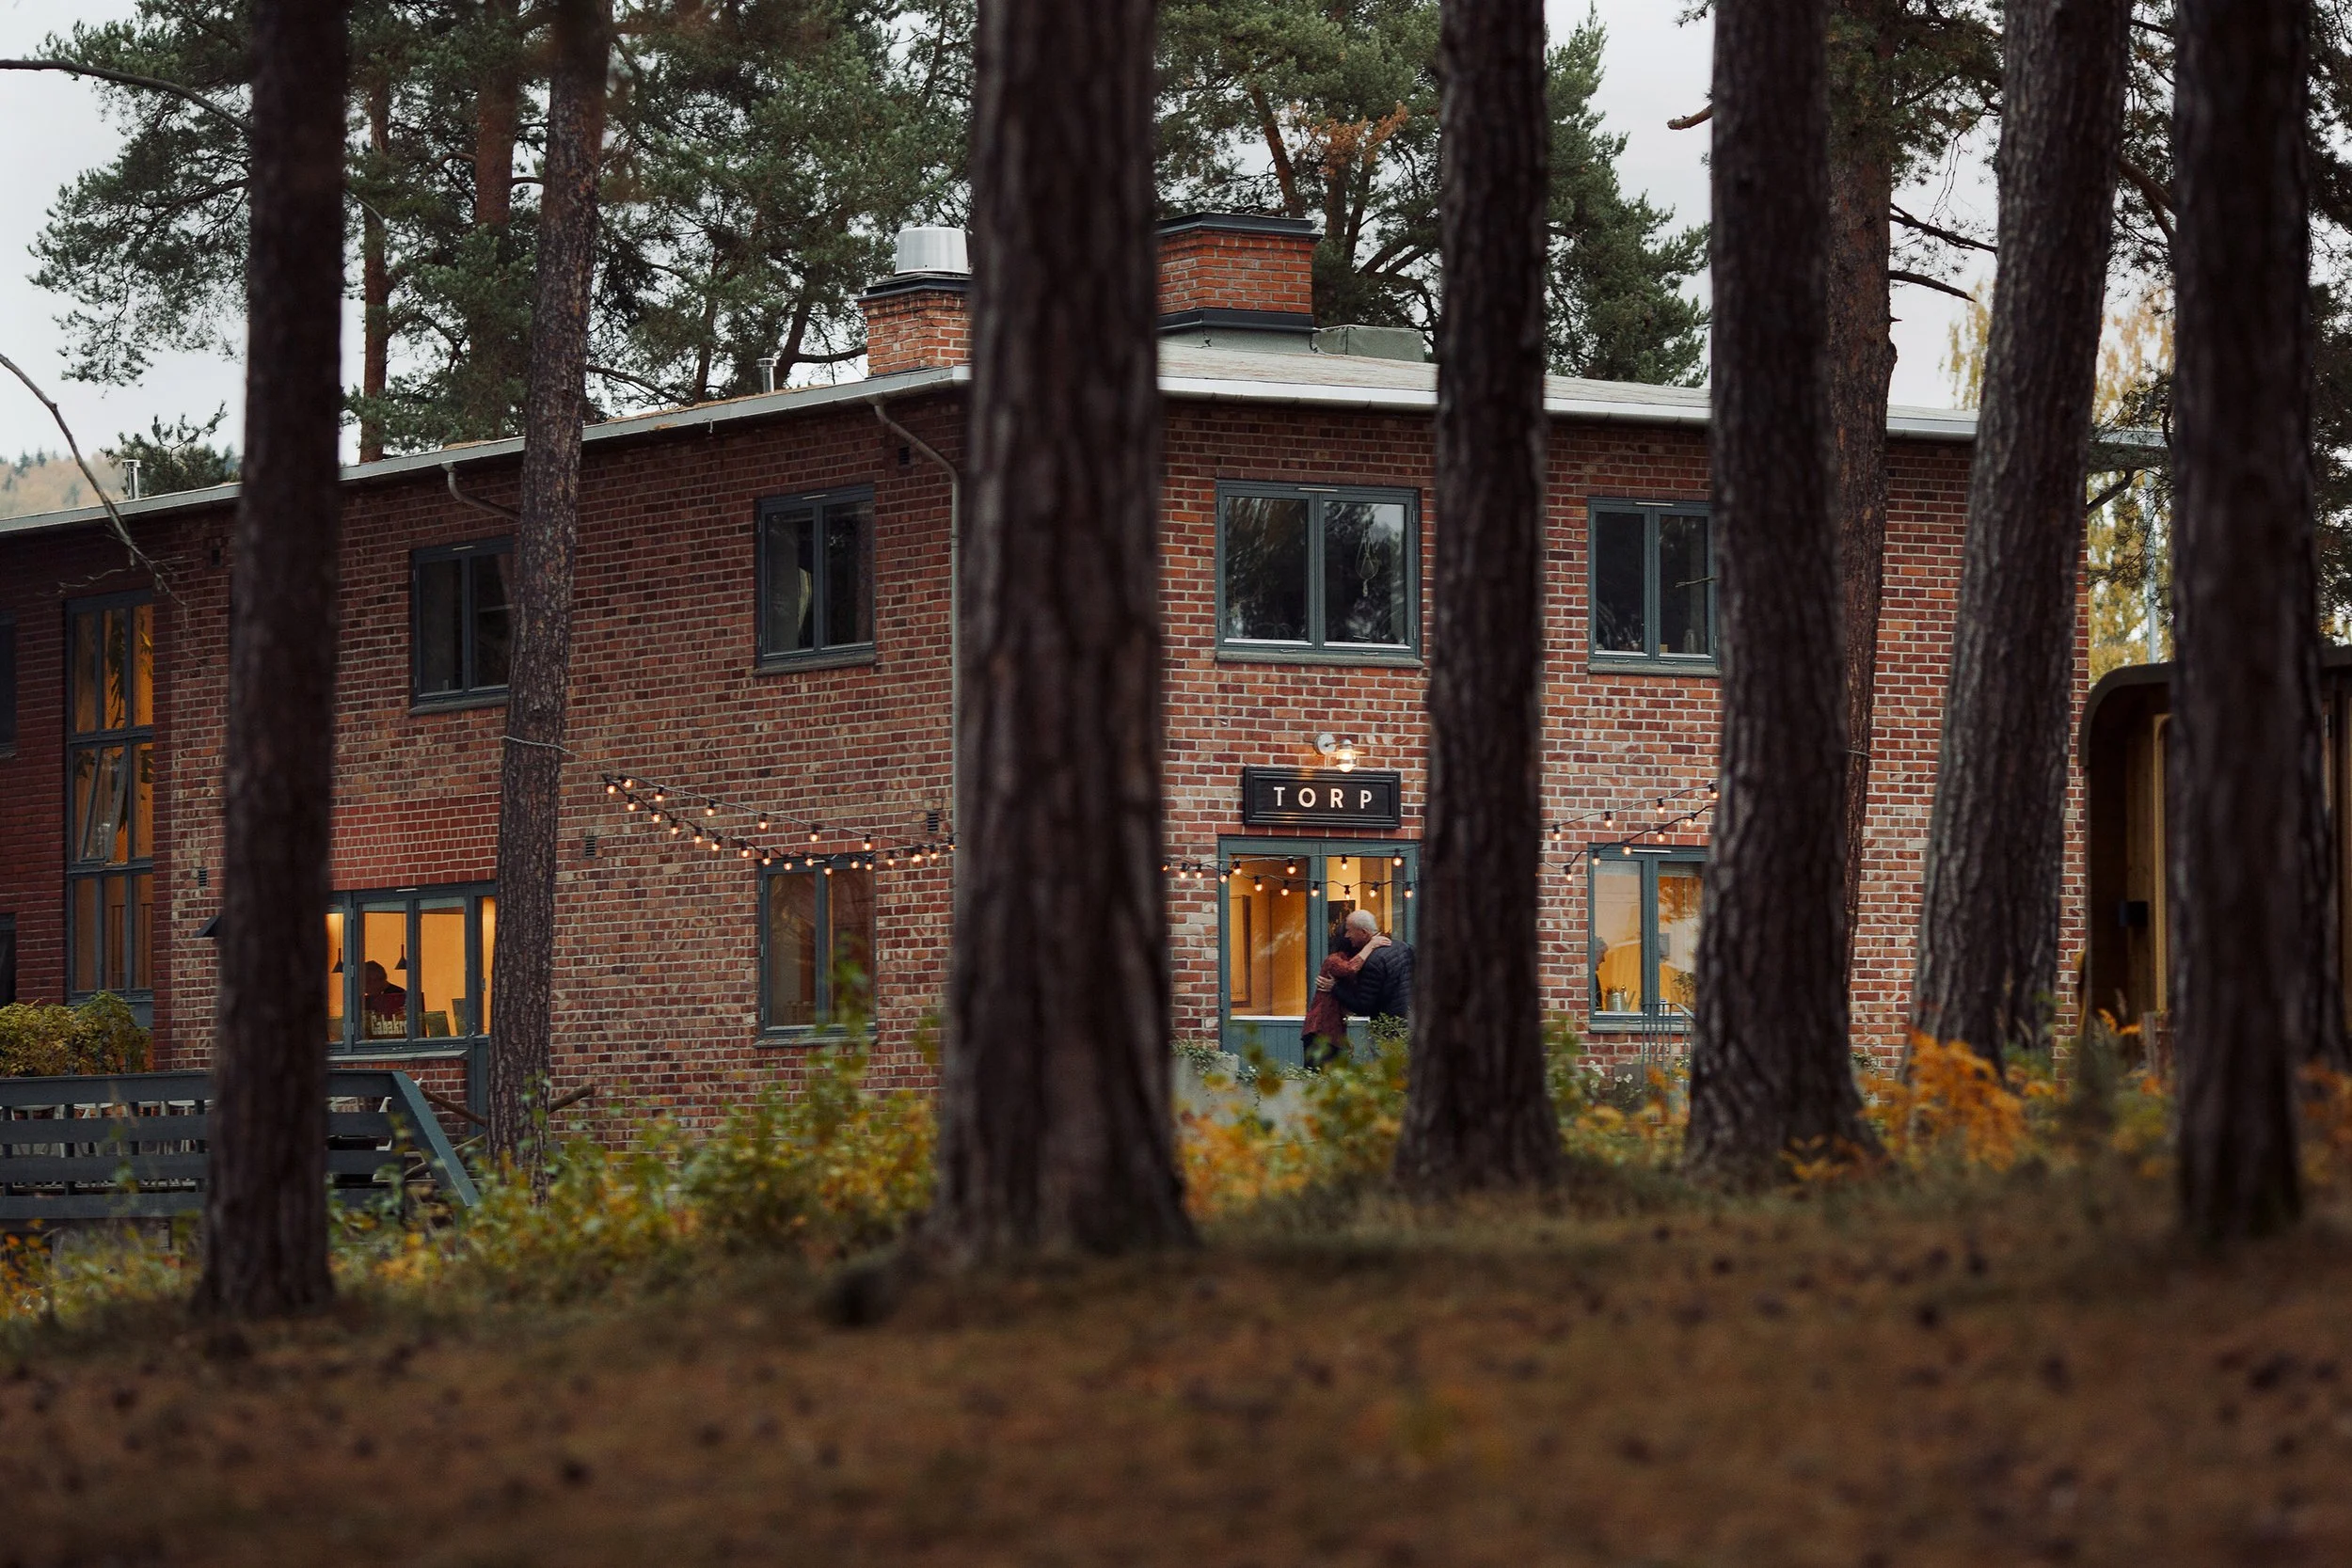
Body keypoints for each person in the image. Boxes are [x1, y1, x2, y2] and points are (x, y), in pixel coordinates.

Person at [1301, 920, 1388, 1069]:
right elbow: (1350, 968)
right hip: (1319, 1030)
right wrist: (1371, 946)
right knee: (1318, 1074)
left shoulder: (1354, 961)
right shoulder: (1334, 959)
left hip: (1333, 1032)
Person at [1324, 908, 1412, 1026]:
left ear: (1364, 932)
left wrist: (1335, 988)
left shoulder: (1372, 962)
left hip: (1390, 1027)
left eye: (1349, 930)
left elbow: (1363, 1006)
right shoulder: (1403, 947)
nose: (1346, 935)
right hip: (1412, 1022)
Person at [361, 959, 406, 1036]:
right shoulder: (368, 999)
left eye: (366, 982)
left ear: (379, 980)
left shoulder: (398, 996)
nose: (363, 988)